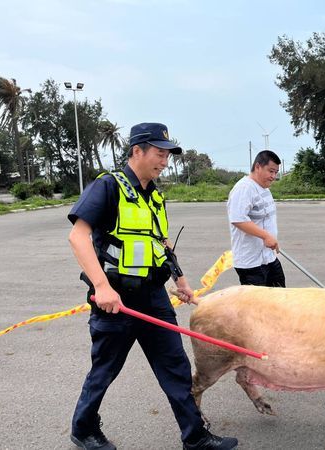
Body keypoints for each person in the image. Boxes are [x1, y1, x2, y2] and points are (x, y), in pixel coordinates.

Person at [68, 122, 238, 450]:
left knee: (175, 366)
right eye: (160, 153)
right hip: (116, 301)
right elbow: (77, 237)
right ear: (137, 151)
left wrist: (182, 280)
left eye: (167, 155)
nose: (165, 161)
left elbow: (161, 242)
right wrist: (101, 287)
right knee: (105, 369)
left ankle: (195, 436)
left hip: (153, 297)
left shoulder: (154, 196)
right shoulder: (108, 186)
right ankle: (83, 428)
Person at [227, 150, 286, 287]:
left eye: (276, 172)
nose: (273, 176)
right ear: (258, 166)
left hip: (268, 258)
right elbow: (238, 219)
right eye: (270, 171)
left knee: (280, 300)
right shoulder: (244, 188)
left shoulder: (264, 188)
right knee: (257, 307)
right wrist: (266, 236)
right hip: (251, 264)